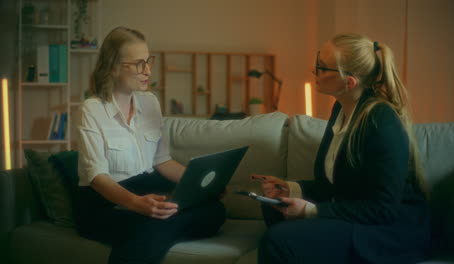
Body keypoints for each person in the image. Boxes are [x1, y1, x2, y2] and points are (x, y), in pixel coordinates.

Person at [255, 33, 430, 264]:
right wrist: (291, 188)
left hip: (388, 231)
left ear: (349, 82)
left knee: (277, 241)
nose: (314, 71)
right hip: (358, 214)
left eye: (322, 67)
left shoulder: (381, 121)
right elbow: (337, 186)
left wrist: (310, 211)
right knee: (273, 208)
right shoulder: (341, 108)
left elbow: (383, 209)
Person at [75, 27, 226, 264]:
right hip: (105, 202)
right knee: (155, 225)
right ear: (113, 67)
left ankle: (163, 227)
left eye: (148, 62)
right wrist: (136, 204)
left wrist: (203, 185)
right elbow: (97, 178)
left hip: (145, 189)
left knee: (214, 210)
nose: (147, 71)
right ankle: (163, 228)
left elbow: (162, 161)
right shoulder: (92, 109)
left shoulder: (150, 102)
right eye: (138, 64)